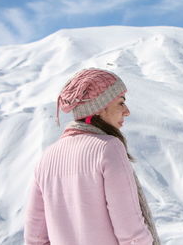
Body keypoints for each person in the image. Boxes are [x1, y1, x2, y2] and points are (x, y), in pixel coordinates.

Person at [24, 68, 161, 245]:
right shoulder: (108, 148)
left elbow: (34, 239)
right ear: (98, 108)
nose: (126, 111)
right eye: (120, 102)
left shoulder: (47, 157)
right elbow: (131, 234)